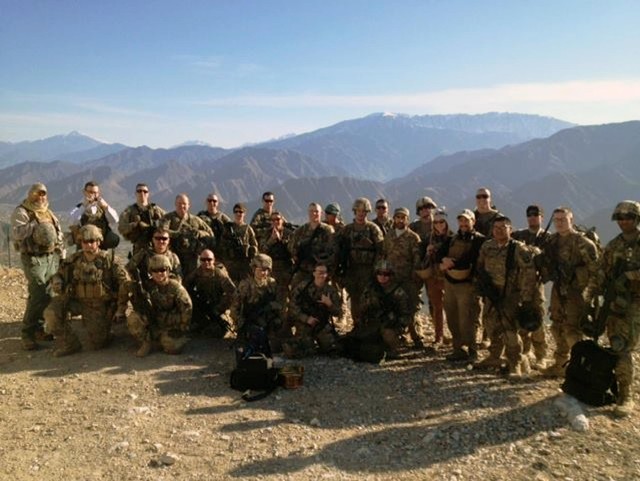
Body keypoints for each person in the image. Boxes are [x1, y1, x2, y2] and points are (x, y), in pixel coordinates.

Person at [43, 225, 129, 357]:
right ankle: (70, 343)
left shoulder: (110, 261)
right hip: (76, 301)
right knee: (51, 314)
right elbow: (58, 274)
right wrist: (57, 281)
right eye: (85, 242)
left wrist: (120, 309)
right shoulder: (73, 260)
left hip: (99, 306)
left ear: (98, 242)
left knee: (98, 343)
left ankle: (106, 330)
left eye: (92, 241)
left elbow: (125, 283)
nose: (88, 245)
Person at [474, 215, 540, 377]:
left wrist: (525, 298)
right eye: (496, 228)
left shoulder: (518, 249)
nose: (499, 231)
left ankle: (515, 362)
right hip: (491, 294)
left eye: (503, 228)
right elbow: (480, 268)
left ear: (510, 230)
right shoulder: (487, 247)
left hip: (510, 296)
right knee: (490, 325)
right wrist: (480, 288)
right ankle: (494, 356)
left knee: (510, 330)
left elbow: (529, 273)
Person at [540, 206, 599, 377]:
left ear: (571, 220)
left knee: (572, 330)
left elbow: (596, 270)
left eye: (563, 219)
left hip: (577, 292)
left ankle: (579, 368)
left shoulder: (583, 243)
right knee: (556, 326)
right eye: (556, 219)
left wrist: (589, 296)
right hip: (558, 290)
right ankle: (560, 365)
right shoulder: (552, 241)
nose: (559, 223)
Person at [10, 183, 65, 350]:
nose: (40, 198)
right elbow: (17, 233)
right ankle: (27, 333)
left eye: (43, 195)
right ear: (31, 195)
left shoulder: (49, 212)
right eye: (37, 194)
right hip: (33, 259)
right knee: (38, 293)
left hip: (51, 258)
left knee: (47, 294)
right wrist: (35, 224)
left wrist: (61, 254)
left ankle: (39, 329)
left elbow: (58, 234)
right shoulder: (22, 212)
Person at [598, 201, 640, 417]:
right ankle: (611, 386)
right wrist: (594, 296)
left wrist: (629, 277)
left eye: (629, 218)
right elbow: (602, 272)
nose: (624, 222)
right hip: (614, 303)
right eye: (621, 218)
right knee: (614, 345)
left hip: (635, 305)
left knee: (622, 348)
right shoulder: (614, 245)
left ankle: (626, 395)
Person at [440, 209, 486, 362]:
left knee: (468, 318)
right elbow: (441, 252)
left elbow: (472, 257)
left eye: (467, 220)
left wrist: (453, 263)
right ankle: (457, 349)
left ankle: (472, 351)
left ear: (473, 221)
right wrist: (442, 260)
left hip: (468, 285)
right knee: (452, 317)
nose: (464, 223)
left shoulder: (479, 240)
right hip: (450, 284)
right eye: (461, 220)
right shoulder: (452, 238)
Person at [127, 255, 193, 357]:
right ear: (150, 272)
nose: (159, 274)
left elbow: (187, 309)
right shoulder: (147, 286)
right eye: (155, 270)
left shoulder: (176, 288)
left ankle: (159, 340)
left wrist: (182, 328)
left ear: (168, 271)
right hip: (153, 320)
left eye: (162, 270)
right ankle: (147, 341)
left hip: (171, 323)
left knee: (173, 347)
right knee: (133, 318)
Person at [348, 260, 413, 360]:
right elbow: (362, 307)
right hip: (372, 322)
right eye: (379, 273)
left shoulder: (398, 292)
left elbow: (407, 314)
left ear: (391, 275)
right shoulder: (370, 288)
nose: (382, 276)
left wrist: (396, 323)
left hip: (389, 325)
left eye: (386, 274)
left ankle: (391, 349)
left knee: (388, 335)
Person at [512, 204, 550, 369]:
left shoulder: (549, 238)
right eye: (529, 215)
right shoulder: (519, 235)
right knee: (521, 319)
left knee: (537, 320)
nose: (532, 217)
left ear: (541, 217)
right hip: (519, 284)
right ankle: (526, 352)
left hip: (536, 286)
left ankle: (541, 356)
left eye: (536, 214)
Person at [335, 197, 384, 325]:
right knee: (355, 299)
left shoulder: (373, 229)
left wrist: (376, 270)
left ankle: (368, 327)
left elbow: (381, 250)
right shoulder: (347, 230)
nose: (361, 214)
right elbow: (338, 249)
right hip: (352, 270)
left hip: (369, 270)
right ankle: (357, 326)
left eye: (364, 211)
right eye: (359, 211)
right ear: (354, 211)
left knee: (368, 300)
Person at [383, 207, 424, 347]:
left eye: (403, 217)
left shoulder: (413, 237)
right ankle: (398, 336)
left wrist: (415, 277)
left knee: (412, 307)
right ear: (394, 219)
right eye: (398, 217)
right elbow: (384, 255)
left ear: (408, 219)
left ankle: (416, 336)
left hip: (408, 279)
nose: (400, 220)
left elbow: (417, 259)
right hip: (392, 279)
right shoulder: (388, 236)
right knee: (394, 307)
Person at [284, 263, 343, 358]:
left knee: (333, 349)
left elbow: (338, 313)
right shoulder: (303, 287)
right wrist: (306, 318)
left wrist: (329, 304)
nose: (322, 275)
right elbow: (292, 306)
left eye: (324, 273)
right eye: (320, 272)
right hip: (305, 323)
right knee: (301, 350)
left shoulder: (331, 291)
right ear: (314, 273)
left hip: (321, 324)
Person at [231, 254, 282, 356]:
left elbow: (280, 304)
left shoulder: (272, 283)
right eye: (261, 270)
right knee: (249, 346)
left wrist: (272, 309)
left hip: (267, 321)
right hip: (250, 322)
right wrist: (240, 322)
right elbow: (234, 307)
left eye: (267, 270)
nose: (264, 273)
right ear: (254, 269)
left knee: (274, 347)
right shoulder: (245, 285)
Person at [184, 249, 236, 338]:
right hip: (203, 304)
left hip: (219, 306)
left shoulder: (220, 274)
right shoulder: (196, 273)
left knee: (223, 327)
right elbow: (184, 286)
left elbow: (232, 293)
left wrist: (220, 308)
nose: (206, 262)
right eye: (203, 260)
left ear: (214, 260)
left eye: (209, 259)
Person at [421, 209, 454, 345]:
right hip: (433, 276)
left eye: (442, 222)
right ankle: (439, 336)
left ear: (446, 223)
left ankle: (456, 336)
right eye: (436, 222)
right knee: (436, 307)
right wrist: (428, 253)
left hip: (449, 277)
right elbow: (422, 260)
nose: (439, 225)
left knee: (452, 308)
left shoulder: (453, 238)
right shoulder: (428, 238)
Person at [162, 193, 213, 279]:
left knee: (192, 281)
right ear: (175, 204)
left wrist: (199, 233)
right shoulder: (168, 218)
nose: (182, 206)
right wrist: (177, 233)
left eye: (184, 204)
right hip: (174, 256)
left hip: (192, 258)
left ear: (189, 205)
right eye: (179, 203)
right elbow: (161, 231)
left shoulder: (195, 220)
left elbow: (210, 233)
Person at [288, 202, 335, 288]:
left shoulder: (327, 231)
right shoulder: (300, 231)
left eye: (316, 211)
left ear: (321, 213)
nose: (314, 214)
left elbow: (333, 251)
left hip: (321, 272)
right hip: (303, 271)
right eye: (311, 211)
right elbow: (291, 248)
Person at [258, 211, 295, 314]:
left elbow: (293, 251)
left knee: (284, 298)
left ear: (282, 220)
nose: (276, 222)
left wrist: (281, 240)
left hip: (286, 269)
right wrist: (271, 240)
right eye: (273, 220)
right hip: (270, 269)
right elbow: (261, 251)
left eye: (278, 219)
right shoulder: (266, 233)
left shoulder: (289, 233)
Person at [69, 181, 120, 250]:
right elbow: (72, 221)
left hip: (100, 243)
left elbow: (115, 220)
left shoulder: (102, 207)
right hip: (85, 243)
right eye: (90, 192)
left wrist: (106, 207)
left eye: (95, 193)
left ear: (98, 193)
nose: (93, 195)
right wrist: (84, 206)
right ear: (85, 192)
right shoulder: (79, 207)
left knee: (114, 238)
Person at [118, 183, 166, 255]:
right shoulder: (129, 211)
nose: (142, 193)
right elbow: (121, 228)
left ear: (148, 194)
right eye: (139, 191)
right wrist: (135, 225)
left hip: (157, 245)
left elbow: (168, 220)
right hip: (139, 247)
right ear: (135, 193)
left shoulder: (155, 209)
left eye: (145, 191)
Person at [218, 203, 258, 285]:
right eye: (236, 212)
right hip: (231, 264)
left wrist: (249, 250)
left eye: (241, 212)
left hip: (245, 264)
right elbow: (222, 245)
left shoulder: (248, 229)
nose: (238, 214)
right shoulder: (228, 228)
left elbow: (255, 245)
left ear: (244, 214)